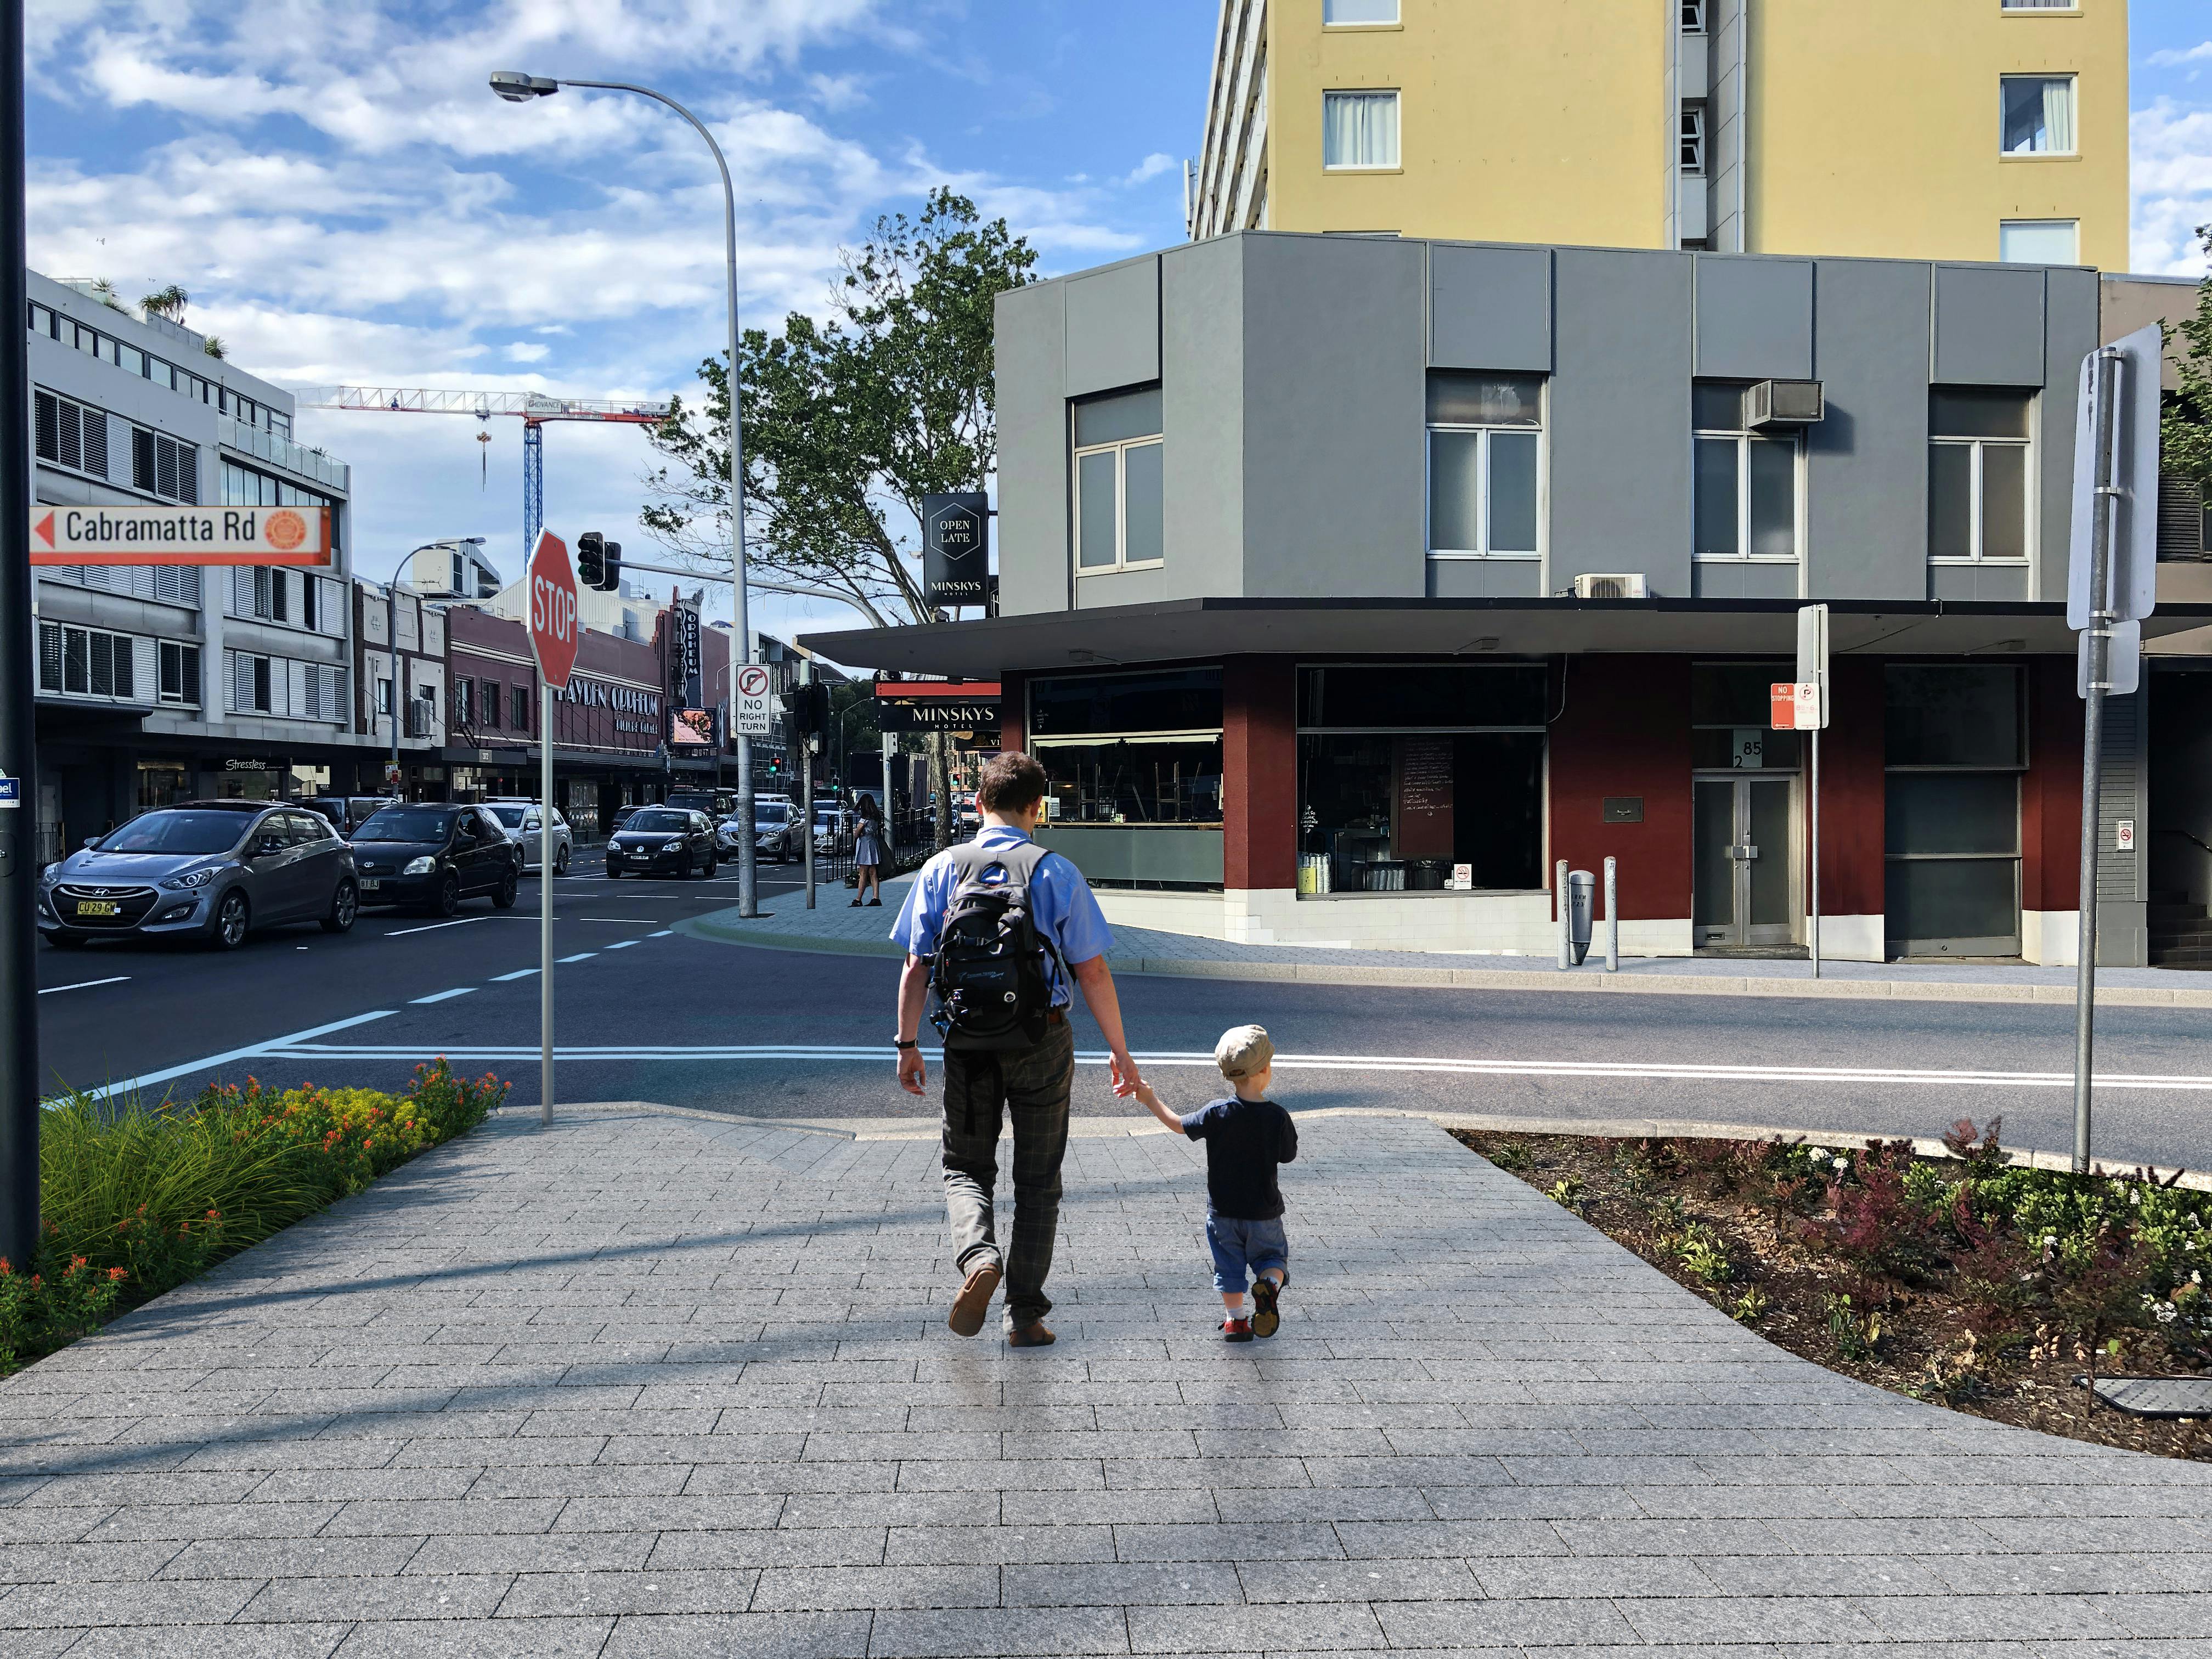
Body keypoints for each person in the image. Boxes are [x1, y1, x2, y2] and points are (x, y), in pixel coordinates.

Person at [892, 751, 1141, 1346]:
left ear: (979, 803)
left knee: (965, 1166)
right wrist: (1121, 1052)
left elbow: (915, 967)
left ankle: (978, 1258)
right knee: (1038, 1180)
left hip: (968, 1041)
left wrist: (906, 1045)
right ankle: (1024, 1315)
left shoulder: (942, 868)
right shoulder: (1057, 872)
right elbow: (1095, 972)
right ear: (1038, 809)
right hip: (1043, 1036)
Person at [1131, 1024, 1297, 1343]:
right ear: (1265, 1070)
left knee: (1229, 1268)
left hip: (1222, 1214)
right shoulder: (1277, 1117)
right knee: (1272, 1259)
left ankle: (1236, 1322)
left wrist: (1150, 1098)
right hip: (1263, 1213)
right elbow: (1287, 1156)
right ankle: (1269, 1288)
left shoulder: (1216, 1112)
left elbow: (1179, 1126)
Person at [851, 794, 885, 907]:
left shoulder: (864, 818)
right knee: (873, 873)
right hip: (873, 843)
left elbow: (856, 834)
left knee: (863, 873)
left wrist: (857, 831)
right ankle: (876, 898)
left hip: (865, 845)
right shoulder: (876, 816)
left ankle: (858, 899)